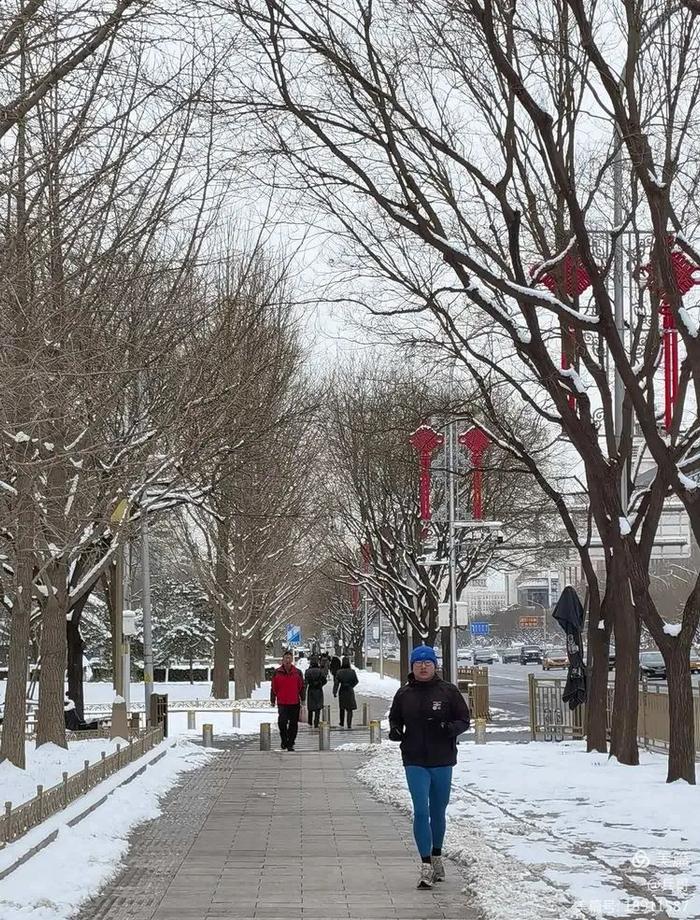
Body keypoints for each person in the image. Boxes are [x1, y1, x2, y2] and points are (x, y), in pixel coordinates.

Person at [388, 644, 470, 890]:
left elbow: (464, 720)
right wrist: (395, 731)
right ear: (412, 667)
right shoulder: (404, 694)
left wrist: (449, 729)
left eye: (428, 663)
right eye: (418, 663)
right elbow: (395, 718)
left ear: (435, 666)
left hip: (442, 759)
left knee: (438, 811)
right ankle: (425, 864)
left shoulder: (449, 692)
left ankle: (436, 854)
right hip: (414, 759)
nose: (423, 667)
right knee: (421, 811)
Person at [270, 651, 305, 751]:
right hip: (282, 702)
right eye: (286, 658)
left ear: (292, 660)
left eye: (289, 658)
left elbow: (301, 686)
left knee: (293, 724)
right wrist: (273, 700)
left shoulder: (297, 672)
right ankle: (284, 739)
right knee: (282, 722)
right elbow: (273, 687)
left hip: (294, 702)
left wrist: (303, 699)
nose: (288, 660)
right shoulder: (277, 672)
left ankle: (291, 743)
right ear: (283, 660)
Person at [333, 657, 358, 729]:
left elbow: (336, 683)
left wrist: (334, 692)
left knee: (342, 707)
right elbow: (356, 681)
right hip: (349, 690)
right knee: (350, 709)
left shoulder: (339, 672)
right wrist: (351, 686)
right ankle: (349, 724)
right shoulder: (352, 671)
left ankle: (341, 722)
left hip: (342, 691)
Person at [304, 656, 327, 728]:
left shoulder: (307, 671)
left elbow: (305, 682)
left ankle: (310, 722)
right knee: (317, 708)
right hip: (318, 690)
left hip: (311, 690)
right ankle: (316, 723)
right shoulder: (320, 671)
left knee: (310, 708)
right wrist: (320, 684)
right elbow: (324, 680)